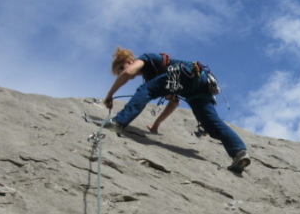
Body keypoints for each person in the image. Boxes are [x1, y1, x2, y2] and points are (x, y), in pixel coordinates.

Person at [102, 47, 251, 173]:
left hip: (184, 74)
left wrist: (109, 95)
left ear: (129, 62)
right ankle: (239, 152)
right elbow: (174, 102)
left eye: (121, 68)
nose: (122, 72)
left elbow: (128, 74)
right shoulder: (154, 77)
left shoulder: (145, 58)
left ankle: (118, 122)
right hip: (199, 85)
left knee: (145, 90)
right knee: (210, 123)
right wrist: (156, 124)